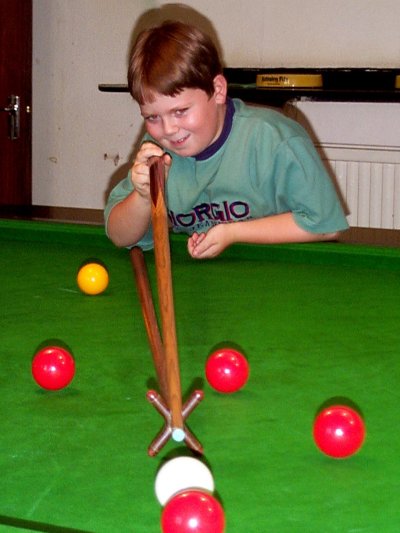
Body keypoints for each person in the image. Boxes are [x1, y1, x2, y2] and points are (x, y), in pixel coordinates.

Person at [105, 20, 348, 259]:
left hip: (281, 276)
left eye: (180, 111)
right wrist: (144, 196)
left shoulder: (275, 138)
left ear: (218, 90)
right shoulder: (156, 148)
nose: (168, 129)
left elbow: (326, 225)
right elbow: (120, 236)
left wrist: (232, 233)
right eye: (152, 117)